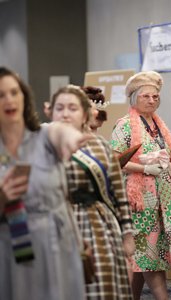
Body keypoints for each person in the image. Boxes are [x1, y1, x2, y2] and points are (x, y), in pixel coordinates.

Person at [110, 71, 171, 300]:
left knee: (141, 261)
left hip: (164, 203)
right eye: (146, 96)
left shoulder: (160, 126)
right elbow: (114, 161)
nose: (152, 100)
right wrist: (144, 169)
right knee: (149, 260)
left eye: (155, 96)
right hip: (140, 204)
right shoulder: (125, 126)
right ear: (134, 98)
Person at [0, 67, 87, 299]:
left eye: (14, 92)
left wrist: (72, 137)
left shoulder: (43, 136)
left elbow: (60, 132)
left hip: (57, 244)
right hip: (12, 247)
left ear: (24, 96)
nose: (9, 99)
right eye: (1, 95)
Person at [49, 84, 135, 300]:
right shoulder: (44, 144)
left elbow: (118, 193)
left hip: (98, 224)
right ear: (51, 111)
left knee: (102, 287)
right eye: (60, 108)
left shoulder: (100, 145)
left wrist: (127, 234)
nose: (66, 113)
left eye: (73, 107)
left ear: (85, 113)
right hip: (57, 225)